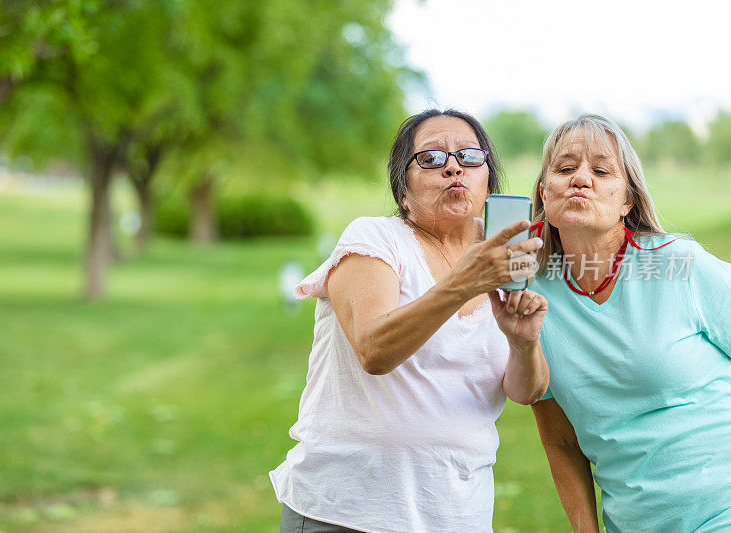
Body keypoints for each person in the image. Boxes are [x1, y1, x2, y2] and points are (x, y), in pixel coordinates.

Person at [269, 109, 550, 533]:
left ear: (488, 180)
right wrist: (462, 283)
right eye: (432, 158)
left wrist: (523, 343)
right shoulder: (374, 239)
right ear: (403, 191)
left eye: (470, 156)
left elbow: (526, 391)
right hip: (346, 511)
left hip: (458, 516)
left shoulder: (505, 261)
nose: (453, 166)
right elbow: (374, 349)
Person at [528, 114, 731, 532]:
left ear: (628, 201)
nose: (581, 179)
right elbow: (561, 441)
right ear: (544, 194)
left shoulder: (678, 265)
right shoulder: (532, 299)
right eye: (565, 169)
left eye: (601, 171)